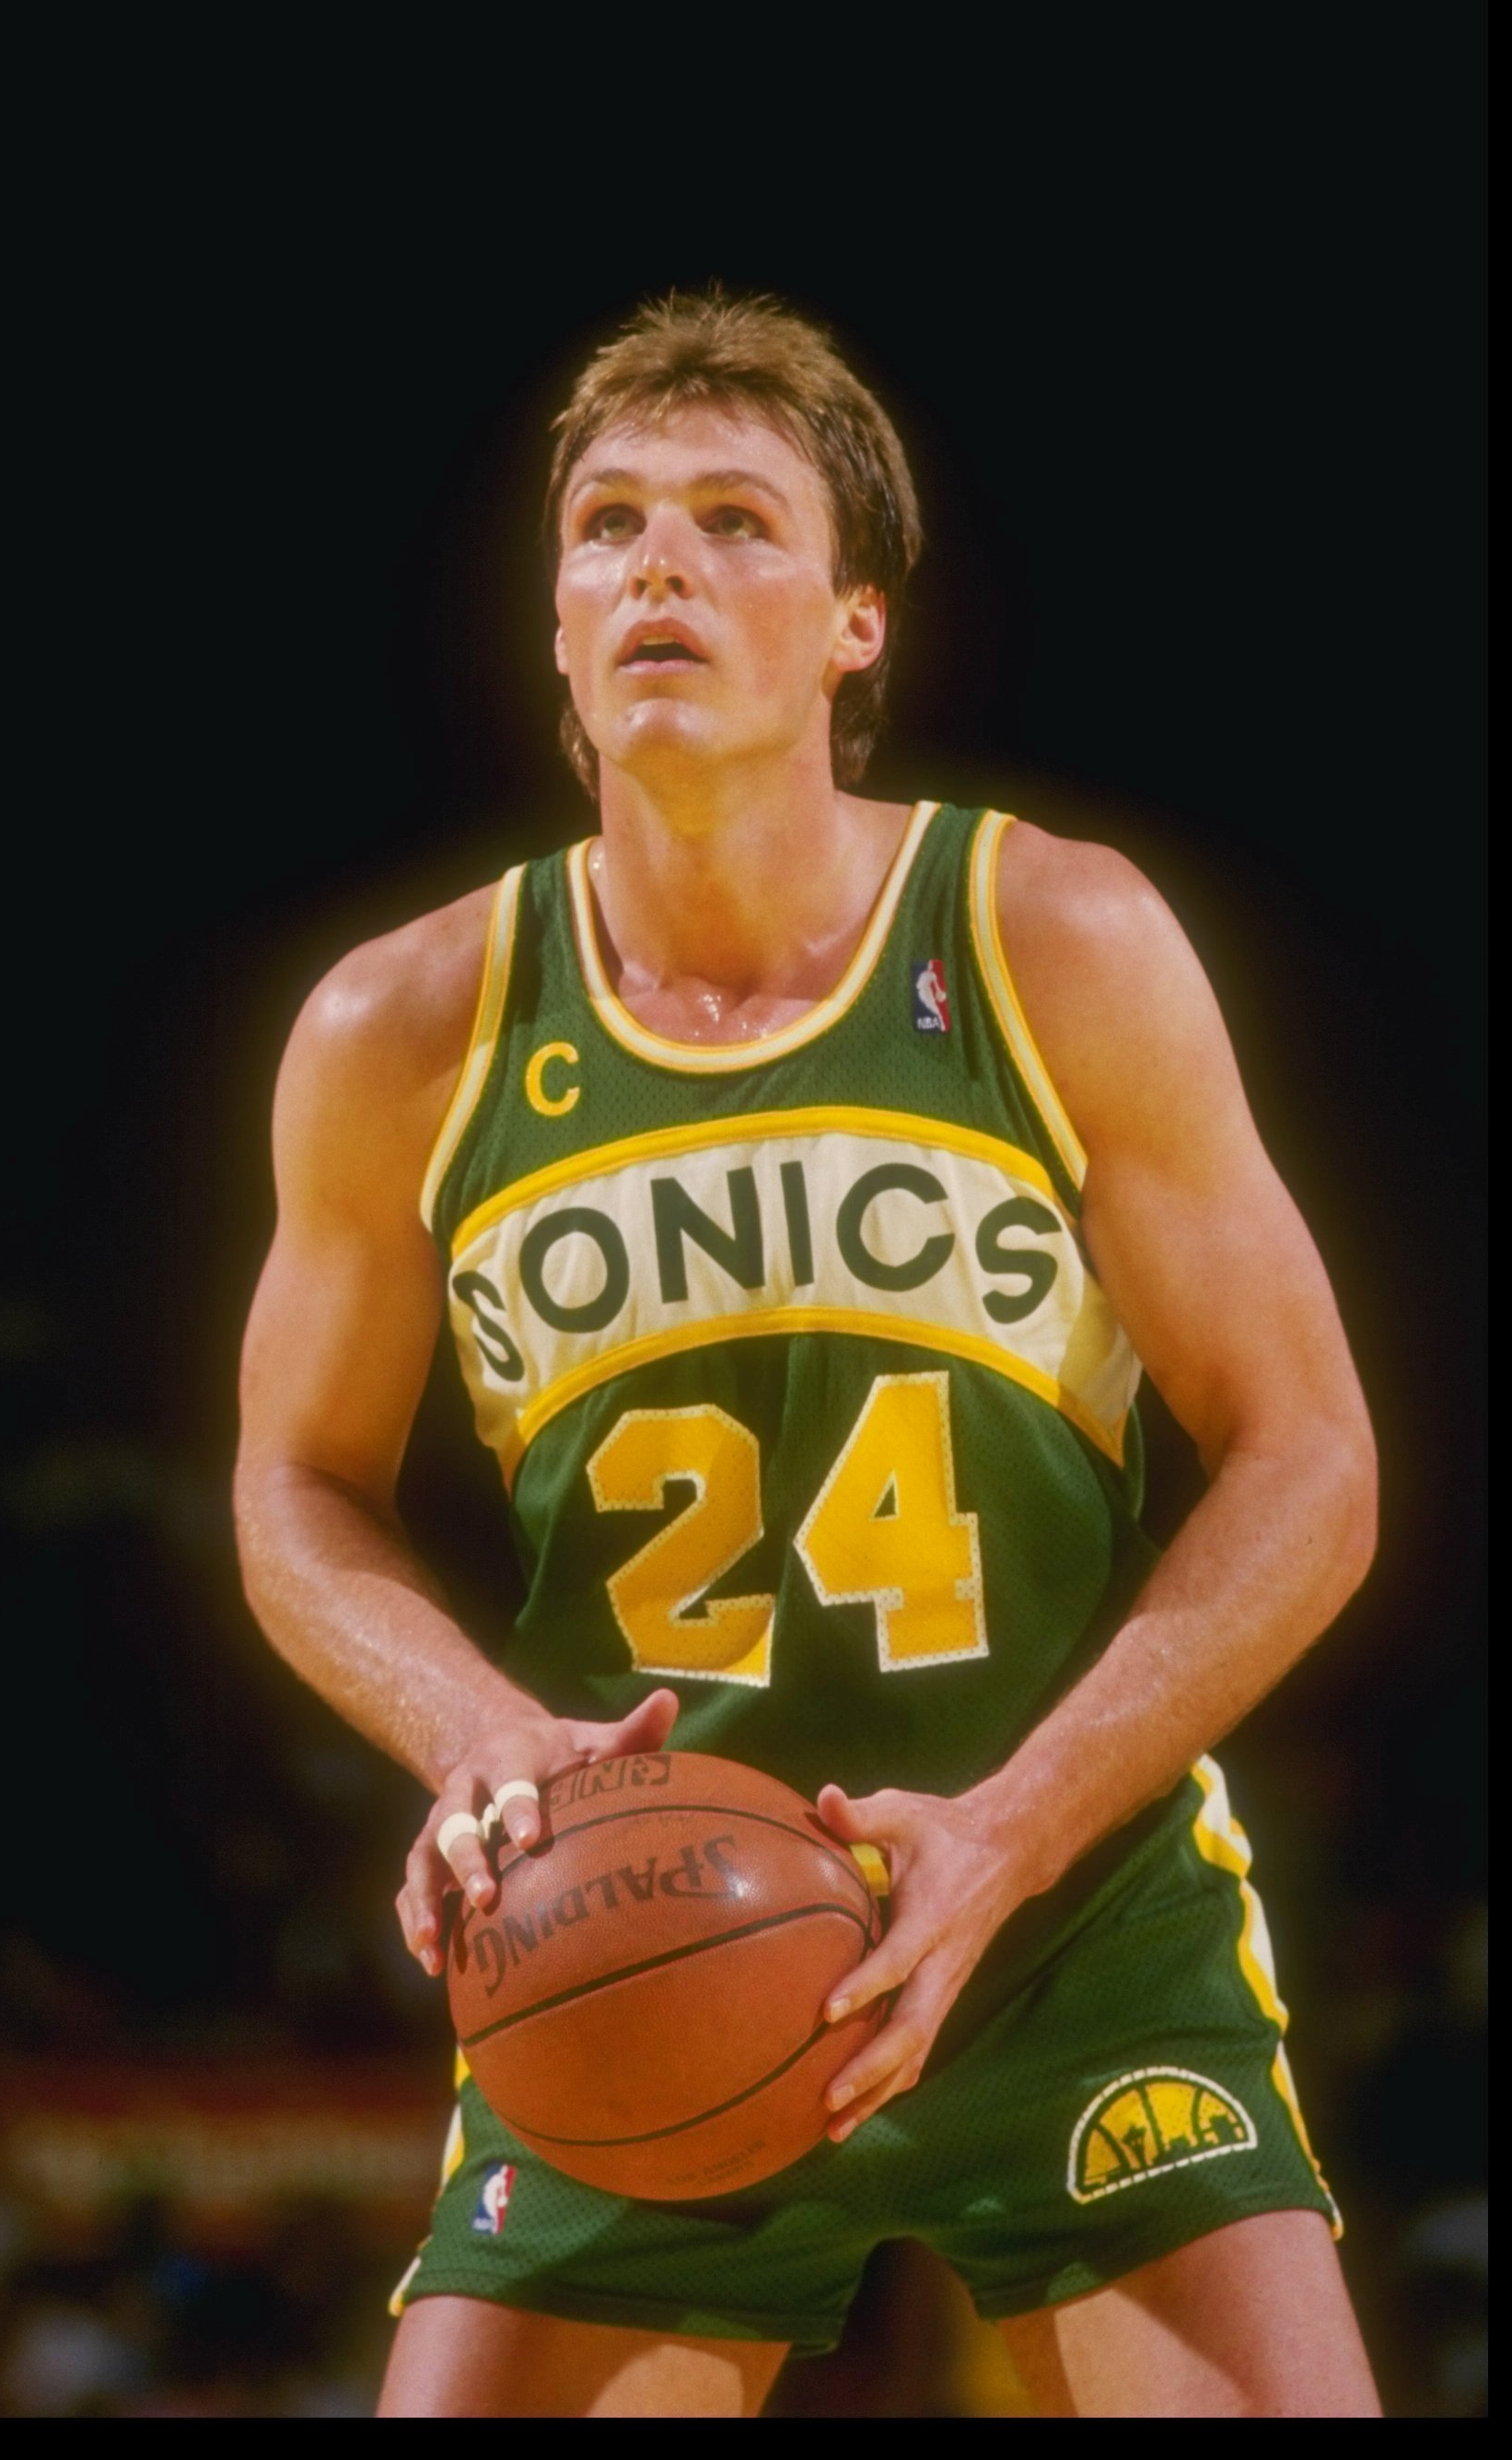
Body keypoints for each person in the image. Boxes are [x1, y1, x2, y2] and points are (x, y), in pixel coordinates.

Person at [232, 293, 1381, 2419]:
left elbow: (1310, 1457)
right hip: (645, 1923)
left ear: (857, 625)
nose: (655, 565)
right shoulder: (401, 1033)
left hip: (1061, 1910)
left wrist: (1016, 1829)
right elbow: (291, 1485)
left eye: (733, 522)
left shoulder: (1054, 940)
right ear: (554, 625)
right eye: (606, 527)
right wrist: (474, 1739)